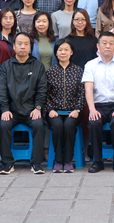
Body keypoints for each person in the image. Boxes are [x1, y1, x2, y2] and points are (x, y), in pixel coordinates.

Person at [0, 33, 48, 174]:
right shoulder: (6, 66)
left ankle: (36, 163)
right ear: (14, 46)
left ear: (30, 47)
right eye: (19, 43)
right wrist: (5, 109)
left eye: (26, 44)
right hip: (12, 110)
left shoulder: (38, 66)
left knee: (39, 125)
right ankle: (8, 163)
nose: (22, 46)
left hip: (31, 110)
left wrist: (38, 107)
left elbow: (42, 89)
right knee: (3, 125)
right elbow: (1, 90)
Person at [82, 32, 114, 173]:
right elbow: (88, 89)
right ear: (98, 46)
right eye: (104, 43)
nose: (107, 46)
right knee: (94, 123)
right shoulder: (90, 65)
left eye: (111, 43)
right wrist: (92, 109)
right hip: (97, 105)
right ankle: (97, 161)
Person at [45, 39, 85, 173]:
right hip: (54, 112)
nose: (63, 52)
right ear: (56, 53)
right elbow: (45, 94)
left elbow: (82, 93)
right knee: (57, 125)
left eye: (66, 49)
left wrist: (77, 109)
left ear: (71, 52)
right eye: (60, 50)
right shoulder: (50, 72)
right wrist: (50, 109)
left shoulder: (78, 71)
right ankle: (58, 160)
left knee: (69, 125)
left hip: (73, 111)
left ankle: (68, 160)